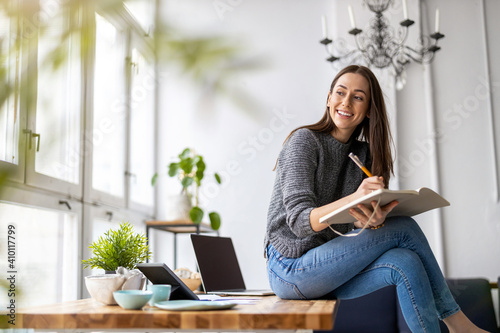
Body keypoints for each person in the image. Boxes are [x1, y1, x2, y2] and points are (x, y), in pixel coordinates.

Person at [264, 65, 488, 333]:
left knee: (406, 262)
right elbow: (300, 223)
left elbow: (349, 229)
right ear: (328, 98)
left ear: (369, 109)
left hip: (327, 268)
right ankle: (459, 325)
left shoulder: (364, 155)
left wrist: (372, 221)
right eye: (340, 92)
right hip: (289, 269)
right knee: (403, 227)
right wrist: (354, 199)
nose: (346, 102)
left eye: (358, 97)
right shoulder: (304, 141)